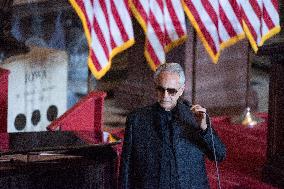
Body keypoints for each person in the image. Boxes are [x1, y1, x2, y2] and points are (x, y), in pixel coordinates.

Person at [119, 62, 226, 189]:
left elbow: (219, 155)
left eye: (171, 91)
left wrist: (204, 128)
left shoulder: (195, 117)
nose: (165, 96)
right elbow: (126, 169)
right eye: (161, 89)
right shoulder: (137, 119)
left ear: (181, 90)